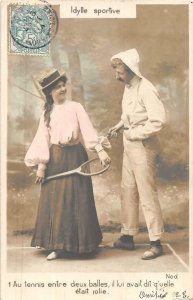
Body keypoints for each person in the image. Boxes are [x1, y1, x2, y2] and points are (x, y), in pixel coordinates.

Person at [25, 69, 111, 260]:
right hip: (56, 159)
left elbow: (88, 130)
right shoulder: (47, 113)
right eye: (57, 87)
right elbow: (42, 139)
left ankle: (83, 243)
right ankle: (58, 245)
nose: (63, 89)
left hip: (76, 156)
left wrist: (101, 151)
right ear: (49, 92)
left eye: (63, 84)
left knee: (78, 199)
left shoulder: (76, 107)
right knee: (58, 201)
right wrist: (41, 166)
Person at [108, 49, 166, 260]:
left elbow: (157, 121)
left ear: (131, 69)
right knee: (128, 190)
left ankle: (156, 242)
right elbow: (128, 115)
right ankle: (128, 236)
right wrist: (118, 126)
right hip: (129, 145)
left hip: (143, 145)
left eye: (120, 72)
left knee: (146, 193)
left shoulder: (147, 89)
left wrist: (134, 134)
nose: (117, 76)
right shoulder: (129, 87)